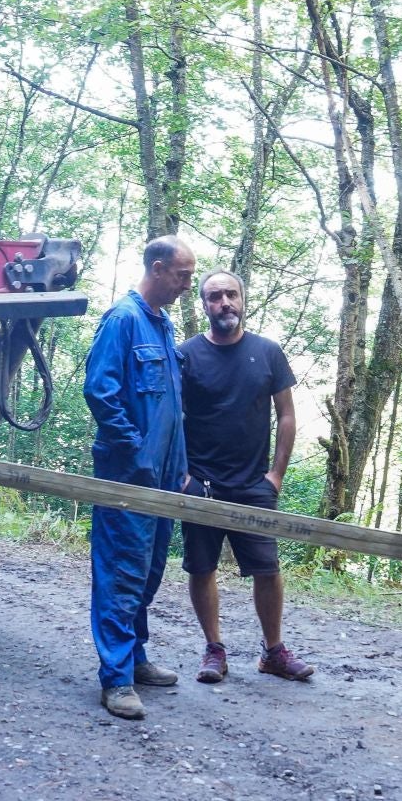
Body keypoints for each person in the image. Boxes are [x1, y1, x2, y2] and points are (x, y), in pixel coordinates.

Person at [178, 270, 313, 683]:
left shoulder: (267, 352)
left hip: (254, 483)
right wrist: (181, 474)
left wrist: (276, 475)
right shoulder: (186, 355)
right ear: (204, 304)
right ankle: (214, 650)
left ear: (242, 298)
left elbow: (286, 414)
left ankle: (273, 652)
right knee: (202, 568)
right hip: (200, 482)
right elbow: (170, 416)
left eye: (231, 295)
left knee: (267, 568)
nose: (224, 303)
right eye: (215, 296)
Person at [82, 235, 196, 720]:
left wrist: (180, 465)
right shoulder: (124, 320)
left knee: (149, 570)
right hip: (129, 476)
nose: (187, 286)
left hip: (166, 477)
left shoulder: (162, 324)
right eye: (183, 276)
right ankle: (116, 678)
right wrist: (135, 454)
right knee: (122, 571)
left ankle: (137, 656)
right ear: (157, 267)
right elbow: (100, 392)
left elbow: (171, 406)